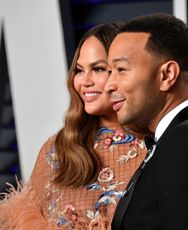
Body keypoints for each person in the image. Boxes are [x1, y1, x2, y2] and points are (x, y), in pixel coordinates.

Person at [0, 22, 148, 229]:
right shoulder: (55, 150)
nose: (84, 81)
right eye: (79, 70)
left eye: (97, 69)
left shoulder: (156, 147)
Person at [105, 13, 188, 230]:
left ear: (167, 75)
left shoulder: (185, 143)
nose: (108, 85)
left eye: (121, 70)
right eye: (108, 71)